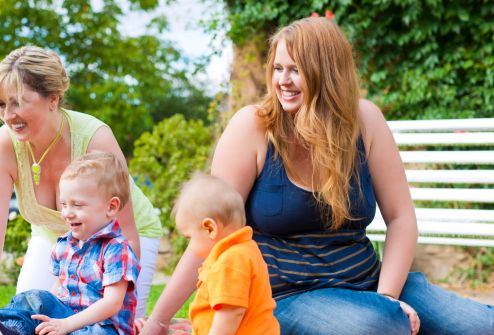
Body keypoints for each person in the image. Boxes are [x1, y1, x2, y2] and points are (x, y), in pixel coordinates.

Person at [141, 17, 494, 335]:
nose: (282, 81)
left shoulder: (365, 121)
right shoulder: (254, 127)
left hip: (367, 279)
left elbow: (401, 218)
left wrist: (387, 295)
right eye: (277, 68)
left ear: (326, 71)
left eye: (295, 69)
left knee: (479, 325)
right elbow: (209, 234)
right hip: (289, 295)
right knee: (379, 325)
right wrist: (158, 322)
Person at [0, 46, 162, 335]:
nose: (8, 115)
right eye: (1, 105)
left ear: (54, 98)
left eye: (17, 102)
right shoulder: (3, 146)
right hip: (59, 240)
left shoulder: (94, 138)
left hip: (121, 239)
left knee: (99, 326)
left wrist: (108, 312)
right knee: (33, 311)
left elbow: (126, 233)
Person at [0, 152, 139, 335]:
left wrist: (67, 325)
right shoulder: (65, 244)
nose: (67, 213)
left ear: (111, 207)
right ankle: (10, 331)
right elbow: (58, 289)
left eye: (77, 205)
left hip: (102, 328)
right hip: (66, 321)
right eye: (64, 204)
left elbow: (112, 303)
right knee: (36, 298)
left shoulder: (116, 249)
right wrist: (49, 314)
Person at [172, 173, 280, 335]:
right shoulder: (246, 248)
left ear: (210, 228)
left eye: (190, 238)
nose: (191, 246)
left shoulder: (229, 261)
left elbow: (230, 313)